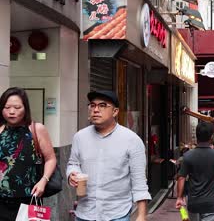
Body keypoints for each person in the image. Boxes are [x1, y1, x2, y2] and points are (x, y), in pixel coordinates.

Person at [67, 91, 151, 221]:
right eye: (92, 105)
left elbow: (139, 182)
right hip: (85, 213)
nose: (95, 110)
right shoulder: (80, 137)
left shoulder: (132, 140)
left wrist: (141, 215)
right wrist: (72, 173)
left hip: (117, 214)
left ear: (115, 111)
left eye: (102, 105)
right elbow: (73, 163)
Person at [0, 87, 57, 219]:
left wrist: (44, 180)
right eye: (7, 107)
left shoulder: (37, 130)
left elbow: (51, 158)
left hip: (28, 200)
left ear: (25, 108)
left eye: (17, 107)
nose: (12, 112)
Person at [176, 122, 214, 221]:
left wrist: (179, 197)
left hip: (193, 203)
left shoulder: (188, 156)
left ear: (196, 136)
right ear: (211, 137)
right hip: (211, 204)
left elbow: (181, 177)